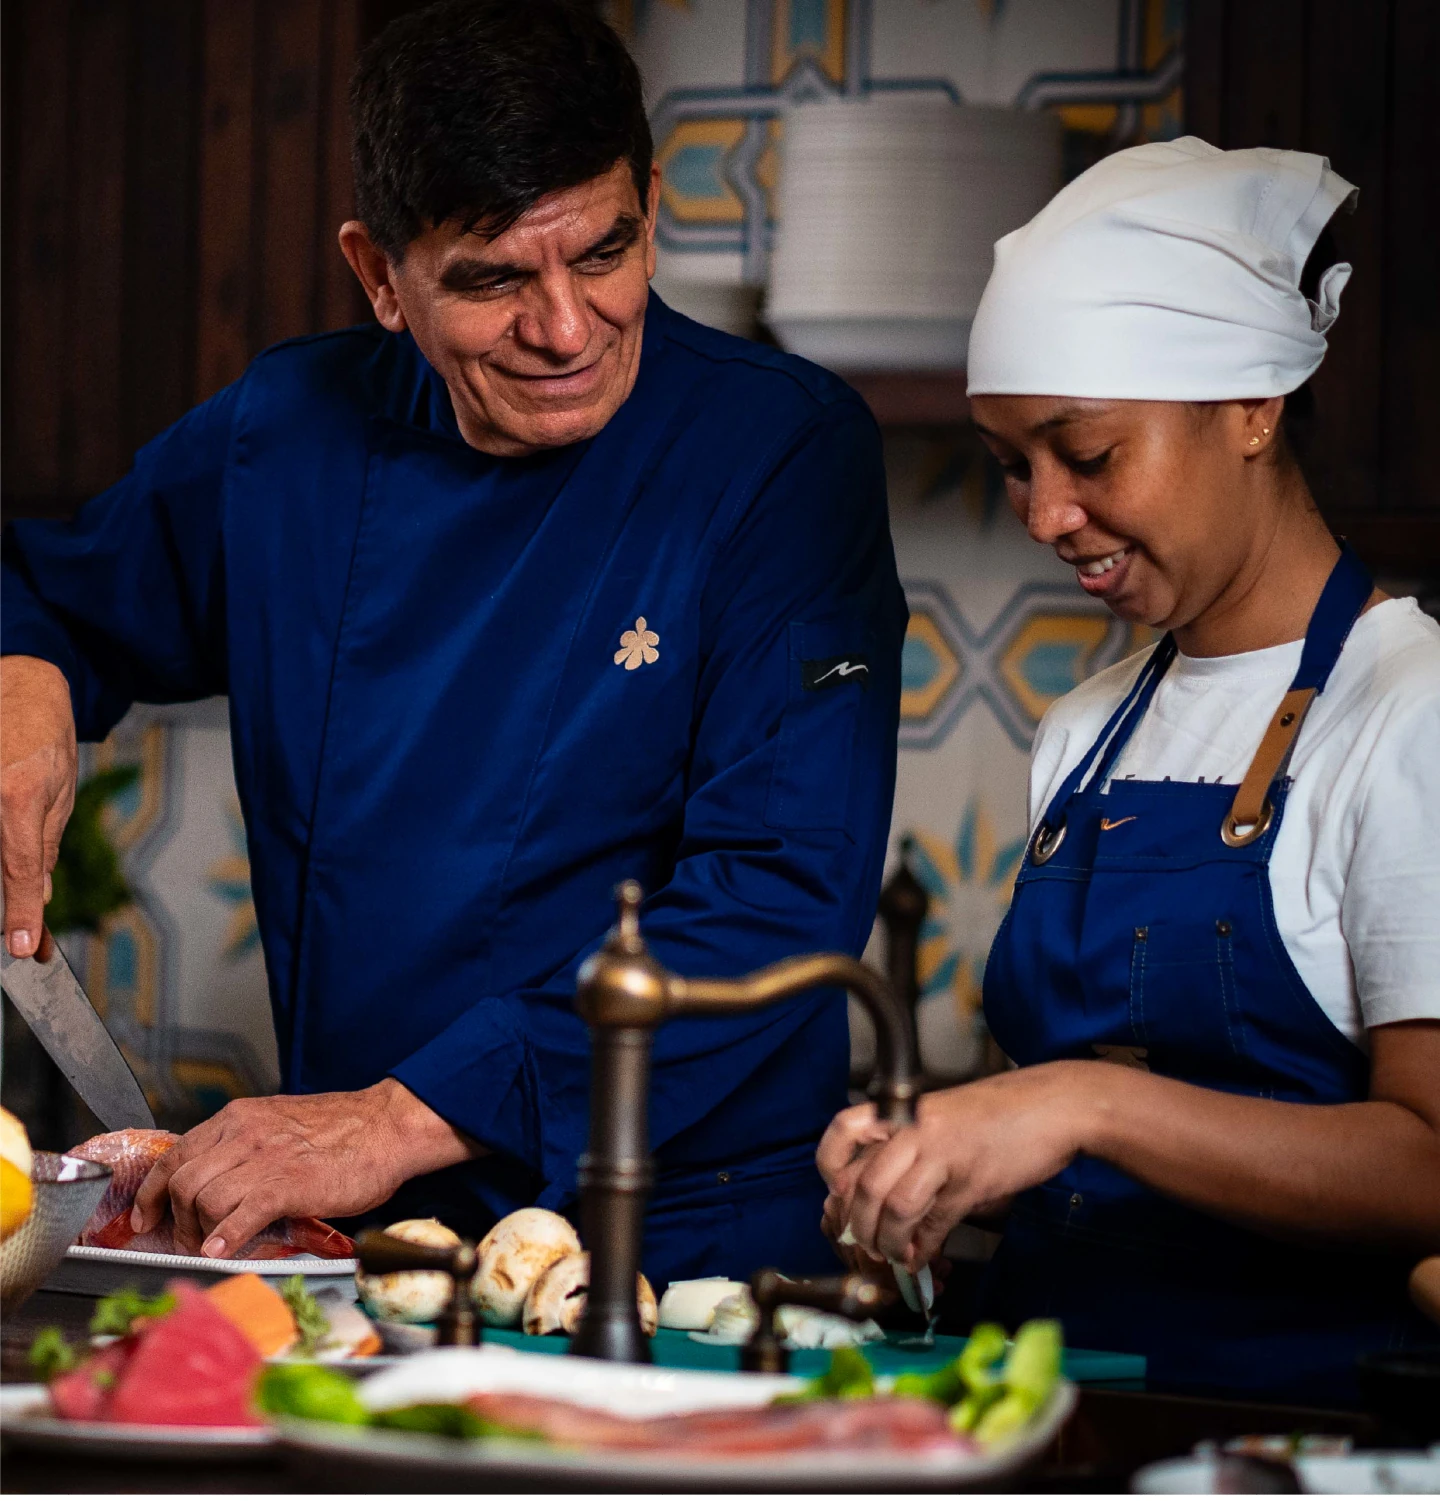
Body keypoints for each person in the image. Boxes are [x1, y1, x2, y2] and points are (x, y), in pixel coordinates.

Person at [0, 0, 906, 1287]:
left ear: (651, 200)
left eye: (606, 252)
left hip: (674, 1250)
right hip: (363, 1253)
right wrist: (24, 675)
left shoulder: (783, 456)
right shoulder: (287, 435)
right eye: (491, 280)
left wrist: (385, 1122)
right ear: (379, 275)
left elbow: (778, 895)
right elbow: (56, 591)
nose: (567, 328)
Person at [818, 137, 1440, 1405]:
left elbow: (1427, 1166)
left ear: (1254, 406)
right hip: (1044, 1418)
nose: (1045, 513)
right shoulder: (1088, 726)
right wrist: (941, 1149)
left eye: (1087, 455)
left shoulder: (1408, 710)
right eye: (1012, 465)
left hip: (1287, 1442)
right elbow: (1075, 1128)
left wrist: (1083, 1105)